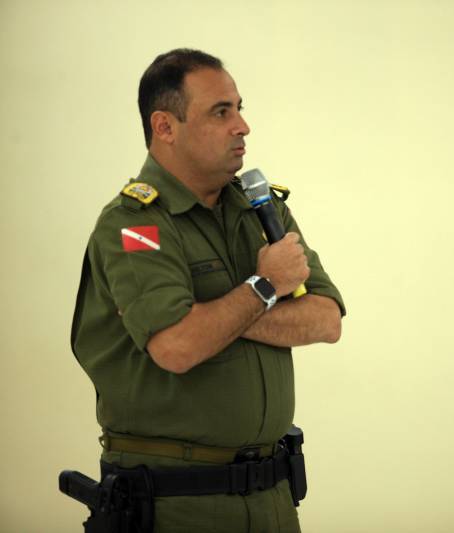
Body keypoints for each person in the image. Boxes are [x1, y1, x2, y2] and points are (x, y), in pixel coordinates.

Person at [70, 48, 345, 532]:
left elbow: (326, 320)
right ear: (165, 126)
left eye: (239, 108)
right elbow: (177, 347)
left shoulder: (261, 210)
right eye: (221, 112)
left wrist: (214, 319)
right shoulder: (135, 225)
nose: (243, 126)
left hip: (274, 498)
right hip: (176, 503)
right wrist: (265, 286)